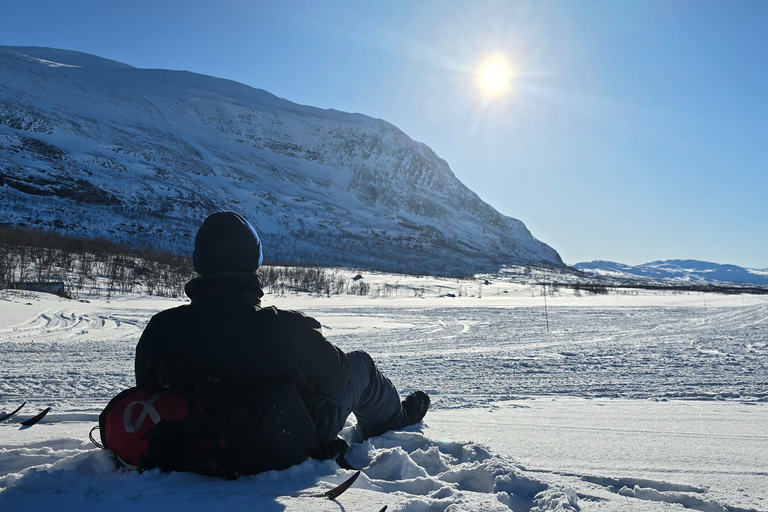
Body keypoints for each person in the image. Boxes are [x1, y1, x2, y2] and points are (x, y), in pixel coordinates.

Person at [134, 211, 429, 467]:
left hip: (200, 444)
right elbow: (338, 378)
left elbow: (147, 393)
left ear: (199, 264)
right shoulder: (286, 328)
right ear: (254, 265)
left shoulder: (162, 328)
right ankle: (395, 422)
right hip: (285, 442)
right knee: (360, 364)